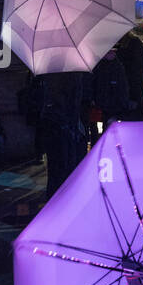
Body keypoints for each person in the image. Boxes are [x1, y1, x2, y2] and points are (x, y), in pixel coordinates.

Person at [36, 70, 92, 200]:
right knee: (65, 164)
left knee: (57, 166)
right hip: (64, 123)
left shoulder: (49, 72)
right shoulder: (72, 74)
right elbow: (76, 99)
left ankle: (57, 197)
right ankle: (64, 197)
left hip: (57, 122)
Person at [89, 49, 130, 137]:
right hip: (106, 102)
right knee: (101, 127)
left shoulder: (113, 66)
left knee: (99, 127)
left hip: (108, 103)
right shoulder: (116, 65)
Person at [114, 29, 143, 120]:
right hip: (118, 97)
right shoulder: (116, 45)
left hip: (130, 96)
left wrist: (134, 98)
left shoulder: (134, 45)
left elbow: (139, 74)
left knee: (133, 126)